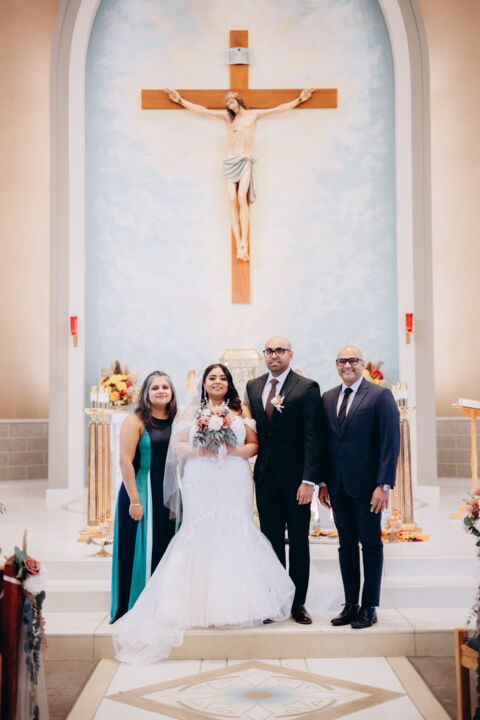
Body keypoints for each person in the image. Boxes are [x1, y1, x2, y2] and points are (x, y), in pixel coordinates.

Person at [112, 363, 295, 664]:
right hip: (201, 478)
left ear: (229, 383)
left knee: (235, 530)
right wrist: (205, 450)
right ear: (204, 383)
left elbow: (254, 445)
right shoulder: (190, 412)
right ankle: (192, 603)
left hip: (233, 477)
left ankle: (241, 603)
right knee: (198, 530)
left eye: (223, 378)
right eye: (212, 378)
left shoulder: (242, 410)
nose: (217, 382)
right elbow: (178, 446)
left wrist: (229, 450)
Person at [165, 88, 313, 261]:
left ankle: (244, 242)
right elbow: (204, 111)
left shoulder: (253, 115)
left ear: (238, 100)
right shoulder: (228, 118)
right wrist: (181, 100)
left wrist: (299, 100)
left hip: (245, 160)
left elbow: (277, 109)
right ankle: (238, 243)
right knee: (231, 199)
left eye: (231, 102)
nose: (230, 106)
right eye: (227, 104)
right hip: (230, 161)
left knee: (242, 197)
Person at [319, 346, 400, 629]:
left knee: (371, 544)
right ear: (336, 365)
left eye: (353, 360)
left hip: (368, 487)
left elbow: (390, 441)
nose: (347, 365)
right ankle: (351, 604)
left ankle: (369, 606)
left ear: (362, 363)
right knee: (346, 545)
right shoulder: (328, 397)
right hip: (338, 485)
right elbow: (326, 443)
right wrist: (324, 482)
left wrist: (383, 484)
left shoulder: (379, 395)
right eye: (342, 361)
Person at [245, 337, 323, 625]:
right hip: (265, 477)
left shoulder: (306, 387)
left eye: (280, 351)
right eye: (269, 351)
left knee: (299, 541)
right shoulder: (253, 386)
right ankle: (275, 601)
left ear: (290, 354)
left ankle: (298, 603)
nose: (274, 355)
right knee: (271, 541)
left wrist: (309, 480)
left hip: (296, 480)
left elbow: (313, 437)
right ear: (264, 355)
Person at [110, 371, 177, 623]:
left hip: (168, 491)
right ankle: (133, 606)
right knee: (137, 548)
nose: (161, 391)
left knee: (165, 545)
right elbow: (125, 461)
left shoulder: (176, 420)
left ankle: (161, 605)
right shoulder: (135, 420)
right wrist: (135, 501)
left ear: (172, 392)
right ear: (146, 393)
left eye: (165, 387)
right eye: (155, 387)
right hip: (140, 489)